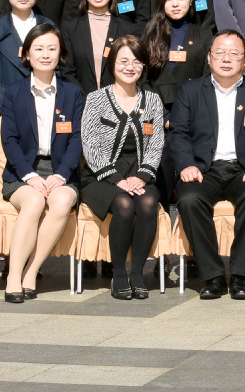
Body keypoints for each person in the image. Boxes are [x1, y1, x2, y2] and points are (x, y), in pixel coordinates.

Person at [167, 31, 245, 300]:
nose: (226, 59)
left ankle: (240, 276)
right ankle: (213, 276)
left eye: (234, 54)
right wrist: (186, 165)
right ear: (209, 58)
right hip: (204, 170)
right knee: (190, 199)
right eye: (219, 53)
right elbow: (178, 133)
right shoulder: (190, 90)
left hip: (244, 170)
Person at [0, 23, 82, 303]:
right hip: (22, 172)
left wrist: (62, 174)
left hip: (60, 171)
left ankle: (31, 271)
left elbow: (77, 140)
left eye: (52, 48)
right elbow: (9, 139)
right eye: (39, 48)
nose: (46, 54)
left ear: (61, 53)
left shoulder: (72, 93)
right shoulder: (14, 92)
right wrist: (29, 175)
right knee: (33, 201)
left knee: (61, 201)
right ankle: (13, 276)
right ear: (27, 54)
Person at [79, 35, 166, 299]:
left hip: (140, 174)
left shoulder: (152, 100)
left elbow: (156, 143)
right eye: (123, 61)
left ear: (144, 66)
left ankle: (137, 273)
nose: (130, 67)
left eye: (137, 62)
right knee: (124, 204)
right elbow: (90, 144)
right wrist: (117, 179)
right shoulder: (96, 99)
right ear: (112, 64)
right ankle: (118, 275)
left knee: (148, 202)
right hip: (101, 176)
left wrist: (142, 176)